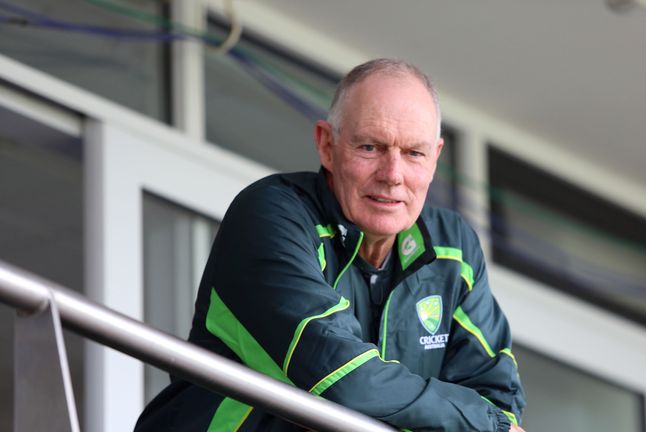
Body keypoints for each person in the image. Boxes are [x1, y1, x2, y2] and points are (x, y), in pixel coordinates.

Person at [135, 58, 526, 432]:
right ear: (327, 145)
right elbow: (341, 379)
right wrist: (478, 424)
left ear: (435, 158)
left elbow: (499, 401)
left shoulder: (453, 250)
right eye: (370, 147)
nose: (393, 175)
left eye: (413, 153)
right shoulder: (273, 215)